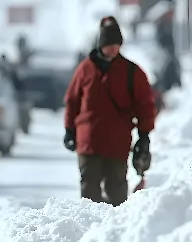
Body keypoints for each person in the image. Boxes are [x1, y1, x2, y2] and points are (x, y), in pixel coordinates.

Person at [63, 16, 155, 206]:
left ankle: (114, 233)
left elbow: (145, 105)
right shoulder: (85, 70)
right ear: (101, 45)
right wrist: (69, 129)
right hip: (88, 142)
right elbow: (72, 102)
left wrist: (144, 135)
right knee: (89, 195)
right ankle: (90, 231)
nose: (113, 49)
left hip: (117, 143)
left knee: (117, 194)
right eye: (109, 45)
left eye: (117, 45)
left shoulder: (132, 72)